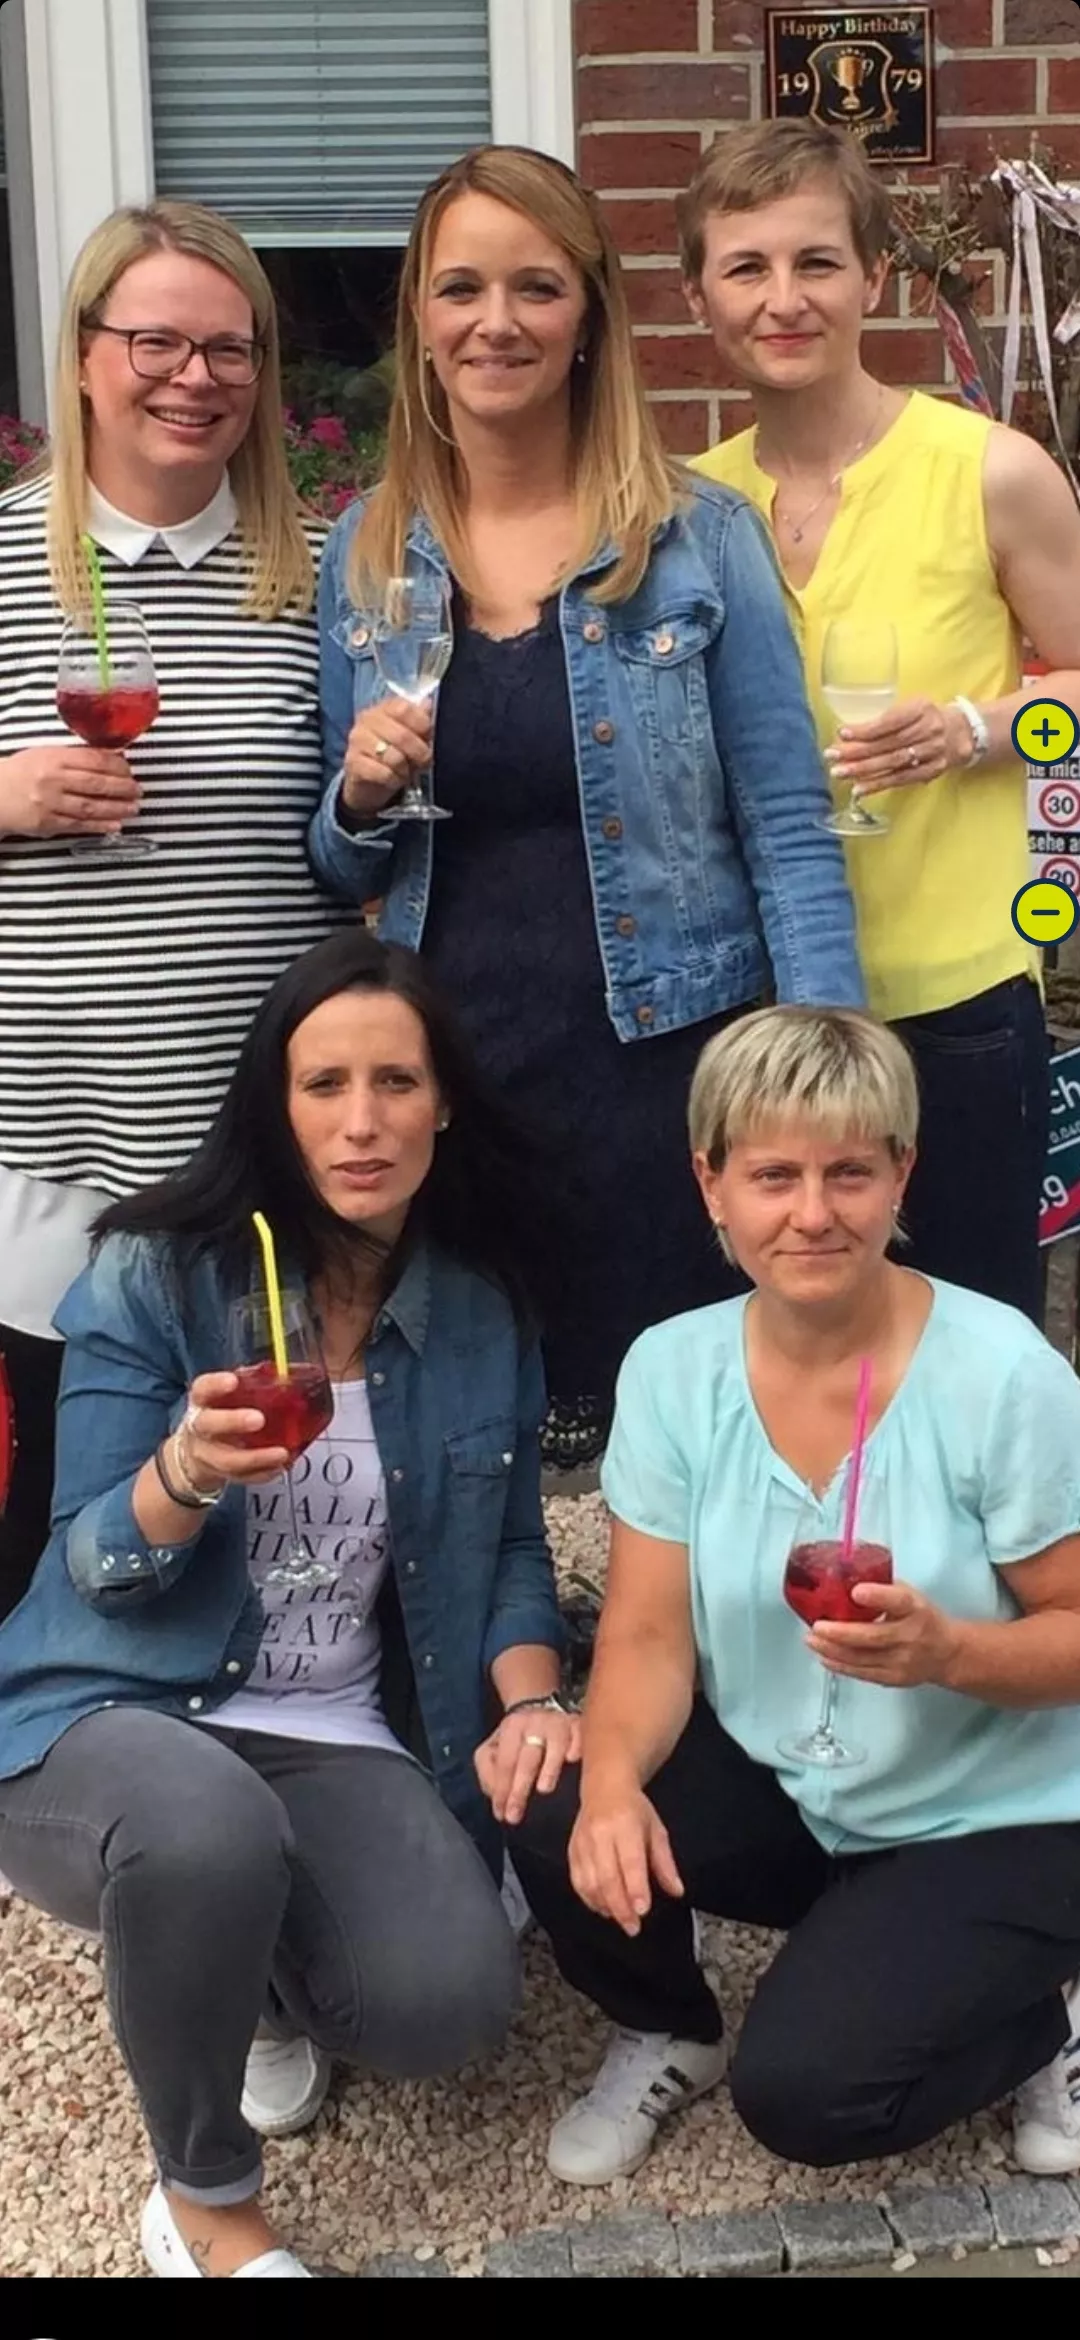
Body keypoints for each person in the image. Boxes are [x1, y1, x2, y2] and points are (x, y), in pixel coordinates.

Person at [0, 930, 572, 2278]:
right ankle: (203, 2203)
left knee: (447, 2006)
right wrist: (184, 1473)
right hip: (117, 1703)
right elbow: (91, 1563)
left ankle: (223, 1961)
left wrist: (533, 1701)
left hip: (330, 1727)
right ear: (275, 1102)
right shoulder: (157, 1275)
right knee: (201, 1827)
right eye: (324, 1085)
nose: (362, 1122)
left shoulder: (481, 1312)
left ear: (443, 1104)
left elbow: (510, 1553)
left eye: (395, 1082)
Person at [311, 144, 865, 1471]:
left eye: (536, 288)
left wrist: (824, 1086)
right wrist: (361, 795)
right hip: (456, 1090)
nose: (495, 322)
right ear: (421, 321)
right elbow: (340, 867)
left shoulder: (695, 538)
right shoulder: (367, 551)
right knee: (479, 1460)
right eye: (461, 289)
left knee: (685, 1449)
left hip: (662, 1075)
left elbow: (789, 828)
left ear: (587, 318)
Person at [508, 1005, 1080, 2188]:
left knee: (813, 2095)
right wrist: (611, 1787)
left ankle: (1042, 2013)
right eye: (774, 1175)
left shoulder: (1002, 1375)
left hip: (1002, 1809)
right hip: (802, 1782)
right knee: (550, 1785)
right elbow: (649, 1631)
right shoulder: (674, 1369)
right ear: (711, 1184)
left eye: (848, 1173)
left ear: (902, 1176)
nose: (812, 1213)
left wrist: (951, 1654)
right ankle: (670, 2024)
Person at [0, 199, 352, 1621]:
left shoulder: (320, 575)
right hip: (54, 1157)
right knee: (58, 1538)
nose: (193, 378)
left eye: (229, 349)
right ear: (86, 355)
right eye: (155, 342)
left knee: (281, 1531)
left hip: (265, 1157)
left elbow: (364, 857)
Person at [680, 117, 1080, 1327]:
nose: (783, 299)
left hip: (956, 1008)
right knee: (783, 1363)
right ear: (699, 298)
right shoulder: (687, 507)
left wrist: (977, 728)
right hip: (760, 1014)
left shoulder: (991, 471)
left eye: (816, 261)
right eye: (746, 268)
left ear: (873, 276)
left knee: (971, 1352)